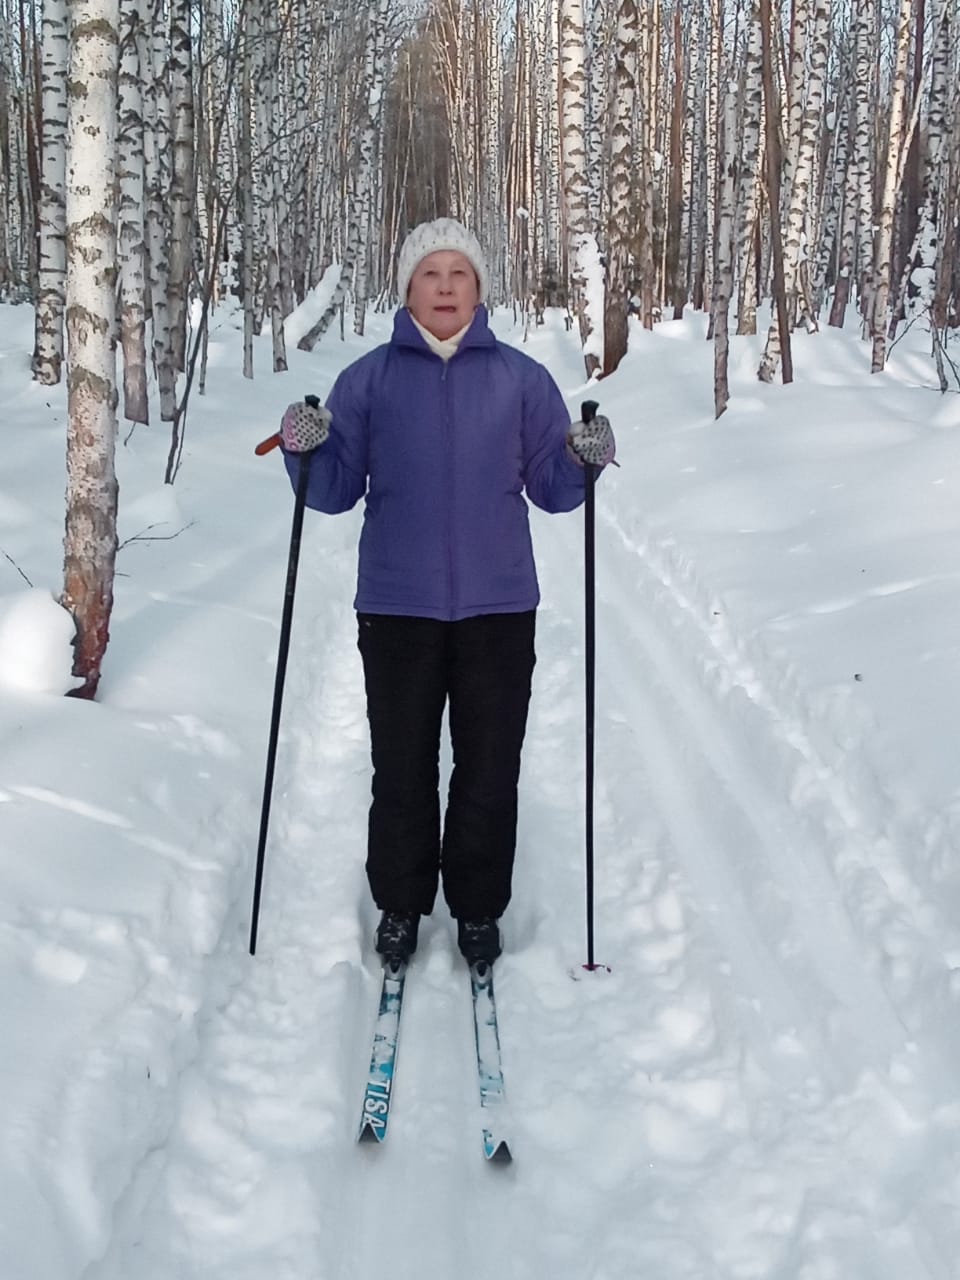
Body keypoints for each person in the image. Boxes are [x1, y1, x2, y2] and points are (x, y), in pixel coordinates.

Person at [278, 217, 614, 969]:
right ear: (407, 288)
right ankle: (400, 903)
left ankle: (478, 907)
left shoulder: (522, 380)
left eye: (459, 273)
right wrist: (304, 448)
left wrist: (582, 458)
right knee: (401, 766)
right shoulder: (368, 381)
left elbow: (553, 488)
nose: (445, 288)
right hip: (396, 605)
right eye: (430, 274)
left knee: (490, 766)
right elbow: (331, 490)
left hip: (499, 606)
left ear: (478, 288)